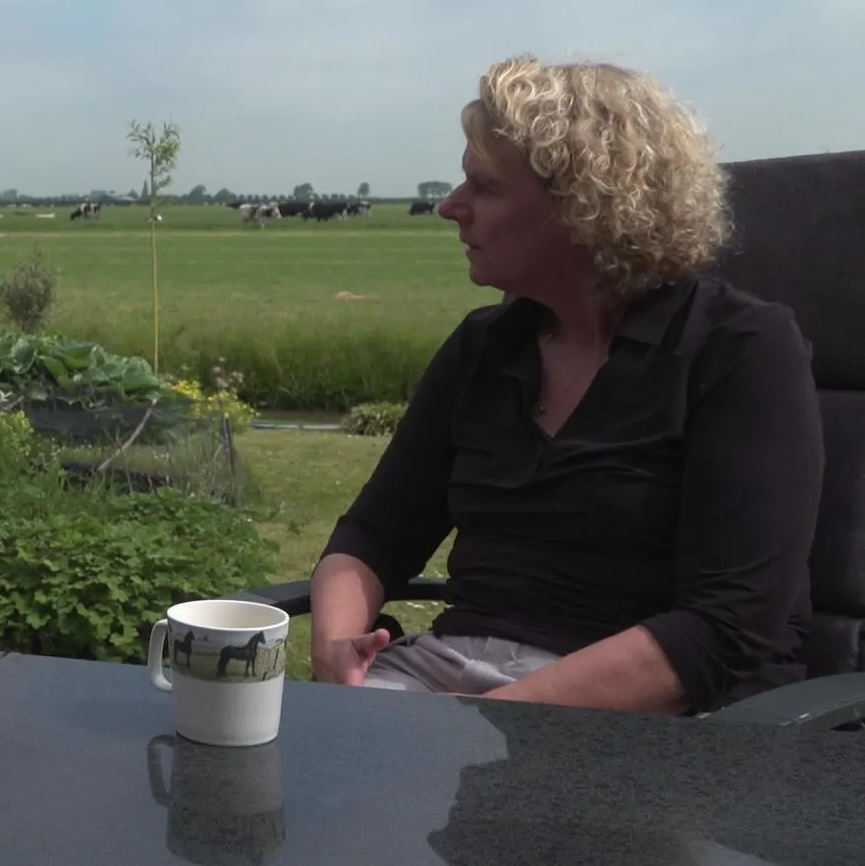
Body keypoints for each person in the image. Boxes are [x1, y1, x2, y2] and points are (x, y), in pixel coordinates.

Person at [311, 55, 823, 716]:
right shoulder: (484, 346)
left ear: (585, 210)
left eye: (484, 187)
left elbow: (728, 626)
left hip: (649, 713)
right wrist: (337, 645)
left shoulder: (740, 349)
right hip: (449, 685)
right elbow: (373, 536)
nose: (449, 207)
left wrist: (478, 727)